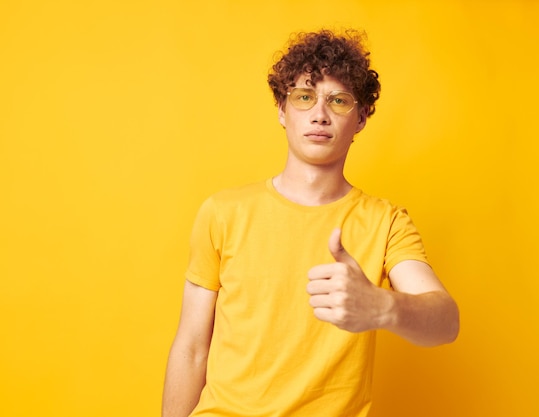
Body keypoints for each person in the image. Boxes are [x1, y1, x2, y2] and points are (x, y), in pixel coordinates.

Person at [162, 29, 459, 417]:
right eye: (304, 97)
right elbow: (191, 347)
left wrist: (382, 306)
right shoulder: (222, 212)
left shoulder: (386, 222)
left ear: (362, 118)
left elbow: (445, 322)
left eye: (338, 101)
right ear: (282, 111)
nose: (320, 113)